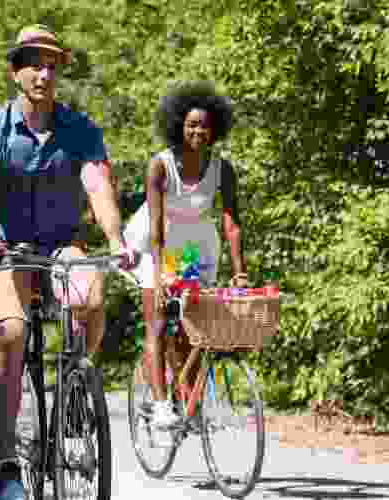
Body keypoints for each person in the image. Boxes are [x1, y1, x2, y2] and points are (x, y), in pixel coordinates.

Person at [0, 25, 134, 500]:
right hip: (7, 248)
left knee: (90, 294)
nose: (44, 72)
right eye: (35, 62)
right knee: (12, 334)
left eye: (52, 64)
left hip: (61, 246)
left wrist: (117, 240)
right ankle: (8, 466)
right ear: (16, 71)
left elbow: (98, 186)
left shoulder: (79, 129)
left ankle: (75, 392)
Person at [124, 81, 248, 428]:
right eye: (192, 124)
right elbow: (157, 223)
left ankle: (188, 398)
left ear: (215, 129)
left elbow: (231, 222)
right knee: (159, 323)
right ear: (179, 125)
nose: (198, 130)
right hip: (157, 244)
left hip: (197, 248)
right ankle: (162, 405)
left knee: (192, 331)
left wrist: (239, 271)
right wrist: (162, 273)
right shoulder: (160, 166)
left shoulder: (222, 169)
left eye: (205, 125)